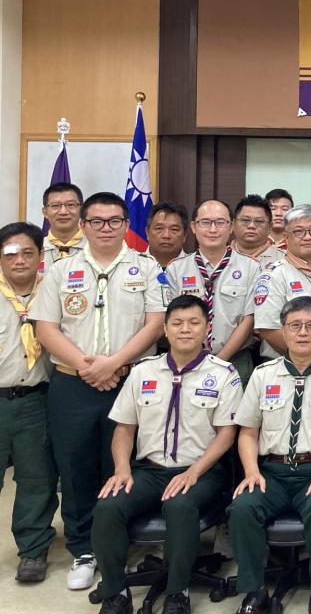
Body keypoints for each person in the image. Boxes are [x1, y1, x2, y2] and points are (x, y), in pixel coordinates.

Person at [32, 191, 166, 591]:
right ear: (83, 225)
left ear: (126, 225)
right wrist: (87, 366)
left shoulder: (146, 267)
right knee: (74, 467)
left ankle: (117, 543)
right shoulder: (60, 270)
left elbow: (155, 323)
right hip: (72, 383)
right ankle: (83, 549)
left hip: (128, 381)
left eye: (114, 221)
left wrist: (114, 363)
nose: (105, 228)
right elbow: (46, 328)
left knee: (122, 464)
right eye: (96, 221)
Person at [91, 295, 241, 614]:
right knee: (107, 506)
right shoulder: (143, 372)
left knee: (180, 504)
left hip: (201, 472)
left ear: (206, 328)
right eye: (177, 323)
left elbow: (226, 435)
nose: (185, 329)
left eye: (194, 323)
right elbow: (124, 429)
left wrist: (194, 472)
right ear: (165, 329)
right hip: (150, 470)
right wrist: (122, 469)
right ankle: (116, 593)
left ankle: (177, 592)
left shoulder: (223, 374)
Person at [229, 296, 311, 614]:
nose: (303, 332)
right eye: (295, 325)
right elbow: (247, 432)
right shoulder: (263, 375)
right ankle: (255, 590)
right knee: (242, 508)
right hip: (271, 473)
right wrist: (251, 472)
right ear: (283, 330)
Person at [0, 222, 58, 583]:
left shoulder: (54, 291)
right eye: (10, 254)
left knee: (37, 479)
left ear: (40, 256)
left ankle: (33, 550)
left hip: (36, 401)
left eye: (27, 252)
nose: (19, 260)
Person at [165, 200, 258, 383]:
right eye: (205, 222)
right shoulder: (176, 269)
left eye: (220, 222)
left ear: (231, 226)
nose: (213, 229)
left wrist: (218, 362)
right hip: (186, 360)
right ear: (193, 227)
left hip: (236, 360)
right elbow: (170, 318)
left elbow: (249, 319)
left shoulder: (251, 268)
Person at [254, 205, 311, 362]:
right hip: (284, 363)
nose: (307, 237)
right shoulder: (273, 275)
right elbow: (268, 329)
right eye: (299, 231)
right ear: (286, 237)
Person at [40, 181, 86, 273]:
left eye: (71, 205)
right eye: (55, 206)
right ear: (45, 212)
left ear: (82, 210)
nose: (63, 212)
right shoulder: (35, 250)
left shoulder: (95, 248)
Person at [232, 195, 285, 268]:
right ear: (233, 224)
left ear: (270, 227)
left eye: (259, 221)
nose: (251, 226)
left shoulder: (285, 259)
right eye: (245, 220)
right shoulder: (220, 256)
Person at [147, 202, 189, 270]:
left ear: (184, 235)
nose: (166, 235)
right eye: (159, 228)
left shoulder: (196, 268)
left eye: (174, 229)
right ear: (147, 233)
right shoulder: (133, 265)